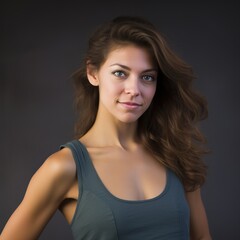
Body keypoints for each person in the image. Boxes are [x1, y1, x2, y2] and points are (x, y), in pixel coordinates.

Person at [0, 15, 212, 240]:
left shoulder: (175, 153)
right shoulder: (64, 168)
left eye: (147, 77)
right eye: (120, 73)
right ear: (93, 73)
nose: (134, 89)